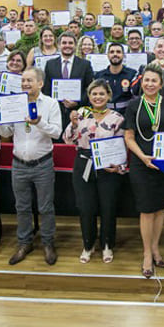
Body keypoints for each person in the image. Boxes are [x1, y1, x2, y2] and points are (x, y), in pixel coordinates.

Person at [0, 66, 62, 266]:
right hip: (19, 164)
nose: (25, 84)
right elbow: (5, 130)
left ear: (40, 83)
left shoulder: (50, 104)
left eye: (29, 80)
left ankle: (48, 243)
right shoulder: (13, 103)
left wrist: (39, 123)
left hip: (43, 164)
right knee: (21, 207)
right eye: (23, 80)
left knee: (46, 207)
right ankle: (24, 243)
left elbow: (57, 133)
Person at [123, 65, 164, 278]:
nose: (149, 84)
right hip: (141, 163)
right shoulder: (134, 105)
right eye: (146, 80)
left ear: (161, 84)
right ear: (141, 82)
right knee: (147, 209)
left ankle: (156, 247)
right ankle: (147, 253)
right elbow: (128, 137)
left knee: (160, 208)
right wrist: (142, 157)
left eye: (154, 81)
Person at [64, 78, 126, 264]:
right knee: (86, 207)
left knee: (108, 207)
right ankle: (88, 244)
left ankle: (107, 244)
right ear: (88, 96)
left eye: (101, 93)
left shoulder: (117, 118)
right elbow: (67, 140)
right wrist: (74, 124)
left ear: (108, 96)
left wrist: (119, 166)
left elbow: (122, 146)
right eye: (94, 94)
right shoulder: (81, 114)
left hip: (108, 167)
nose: (98, 97)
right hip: (84, 164)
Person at [43, 32, 94, 132]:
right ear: (58, 45)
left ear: (75, 45)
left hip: (78, 112)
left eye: (70, 43)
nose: (67, 45)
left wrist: (77, 102)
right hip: (55, 112)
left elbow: (89, 88)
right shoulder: (50, 64)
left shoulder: (85, 64)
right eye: (64, 43)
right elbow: (46, 90)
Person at [95, 42, 136, 113]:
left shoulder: (132, 74)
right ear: (108, 55)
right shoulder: (99, 76)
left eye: (118, 52)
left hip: (126, 113)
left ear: (123, 55)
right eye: (112, 52)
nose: (115, 54)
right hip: (105, 113)